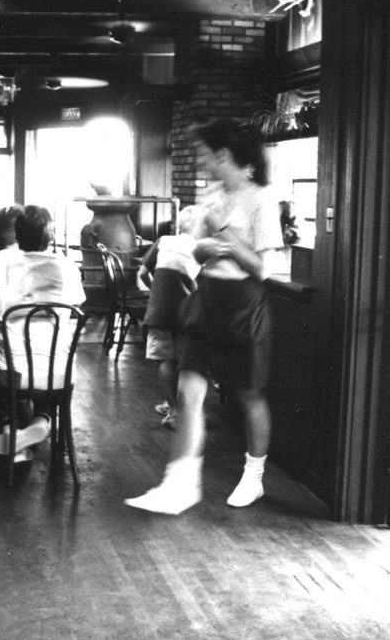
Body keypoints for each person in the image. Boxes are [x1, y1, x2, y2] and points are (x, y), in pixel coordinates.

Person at [125, 119, 284, 515]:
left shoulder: (262, 198)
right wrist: (207, 246)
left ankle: (254, 477)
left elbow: (263, 269)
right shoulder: (214, 196)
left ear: (224, 156)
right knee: (187, 393)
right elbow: (196, 253)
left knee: (248, 395)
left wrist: (224, 238)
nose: (202, 162)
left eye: (206, 155)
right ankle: (179, 485)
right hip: (207, 300)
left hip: (243, 305)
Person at [0, 205, 86, 461]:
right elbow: (78, 304)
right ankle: (42, 419)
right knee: (49, 360)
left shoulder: (2, 261)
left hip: (13, 373)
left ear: (18, 234)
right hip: (58, 372)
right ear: (49, 237)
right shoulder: (67, 266)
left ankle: (10, 426)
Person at [137, 205, 201, 429]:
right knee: (184, 361)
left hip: (158, 310)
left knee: (166, 360)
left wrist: (156, 291)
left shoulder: (164, 241)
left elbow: (143, 273)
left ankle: (172, 409)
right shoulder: (200, 248)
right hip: (186, 313)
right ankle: (181, 409)